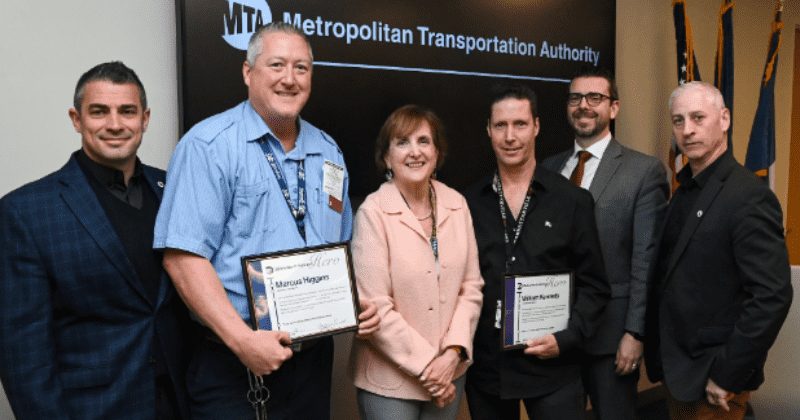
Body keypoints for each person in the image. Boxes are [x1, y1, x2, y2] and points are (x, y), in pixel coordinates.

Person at [153, 22, 379, 420]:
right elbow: (182, 257)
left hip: (311, 363)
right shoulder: (209, 146)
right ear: (248, 72)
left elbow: (338, 248)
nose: (289, 79)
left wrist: (356, 301)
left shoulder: (328, 152)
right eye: (276, 65)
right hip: (233, 363)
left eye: (302, 68)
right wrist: (242, 341)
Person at [0, 61, 191, 420]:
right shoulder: (26, 211)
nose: (115, 124)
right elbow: (22, 355)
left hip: (185, 403)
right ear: (76, 119)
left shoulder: (175, 189)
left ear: (145, 119)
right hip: (97, 409)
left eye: (127, 112)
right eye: (99, 112)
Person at [645, 81, 793, 420]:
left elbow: (772, 296)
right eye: (678, 120)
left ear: (724, 119)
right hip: (678, 372)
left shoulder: (748, 195)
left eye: (698, 117)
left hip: (715, 379)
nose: (688, 130)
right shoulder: (685, 190)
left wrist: (728, 374)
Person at [464, 83, 610, 419]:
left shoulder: (572, 201)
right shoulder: (467, 204)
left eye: (520, 124)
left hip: (554, 367)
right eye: (500, 125)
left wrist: (568, 338)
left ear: (537, 127)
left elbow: (595, 286)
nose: (510, 136)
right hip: (488, 369)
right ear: (488, 130)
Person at [541, 67, 669, 420]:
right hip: (557, 334)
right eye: (575, 98)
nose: (584, 106)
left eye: (595, 98)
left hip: (611, 336)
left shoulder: (643, 171)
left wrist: (635, 333)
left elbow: (646, 260)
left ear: (613, 108)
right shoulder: (548, 170)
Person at [350, 105, 484, 419]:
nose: (415, 152)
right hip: (390, 381)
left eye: (424, 141)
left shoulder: (457, 204)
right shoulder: (372, 212)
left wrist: (452, 354)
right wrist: (430, 367)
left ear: (437, 152)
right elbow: (376, 306)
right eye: (402, 142)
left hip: (450, 369)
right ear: (386, 157)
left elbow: (472, 288)